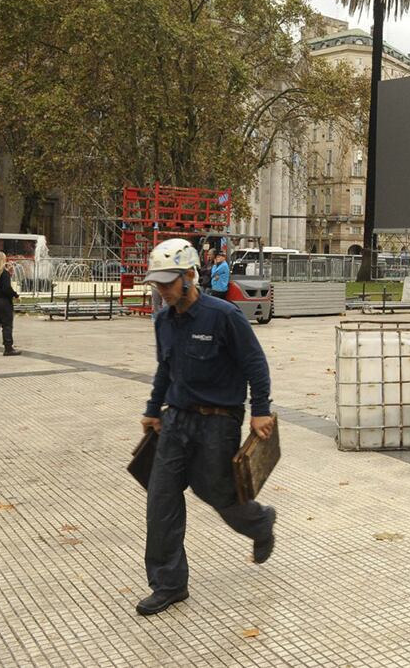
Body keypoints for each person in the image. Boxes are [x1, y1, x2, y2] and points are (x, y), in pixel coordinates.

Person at [136, 238, 276, 617]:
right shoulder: (163, 320)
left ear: (188, 276)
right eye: (158, 283)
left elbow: (255, 365)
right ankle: (169, 583)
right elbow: (165, 367)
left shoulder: (223, 316)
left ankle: (260, 523)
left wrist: (260, 410)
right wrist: (153, 408)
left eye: (168, 282)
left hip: (218, 422)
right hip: (176, 420)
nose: (161, 290)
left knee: (216, 493)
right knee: (160, 498)